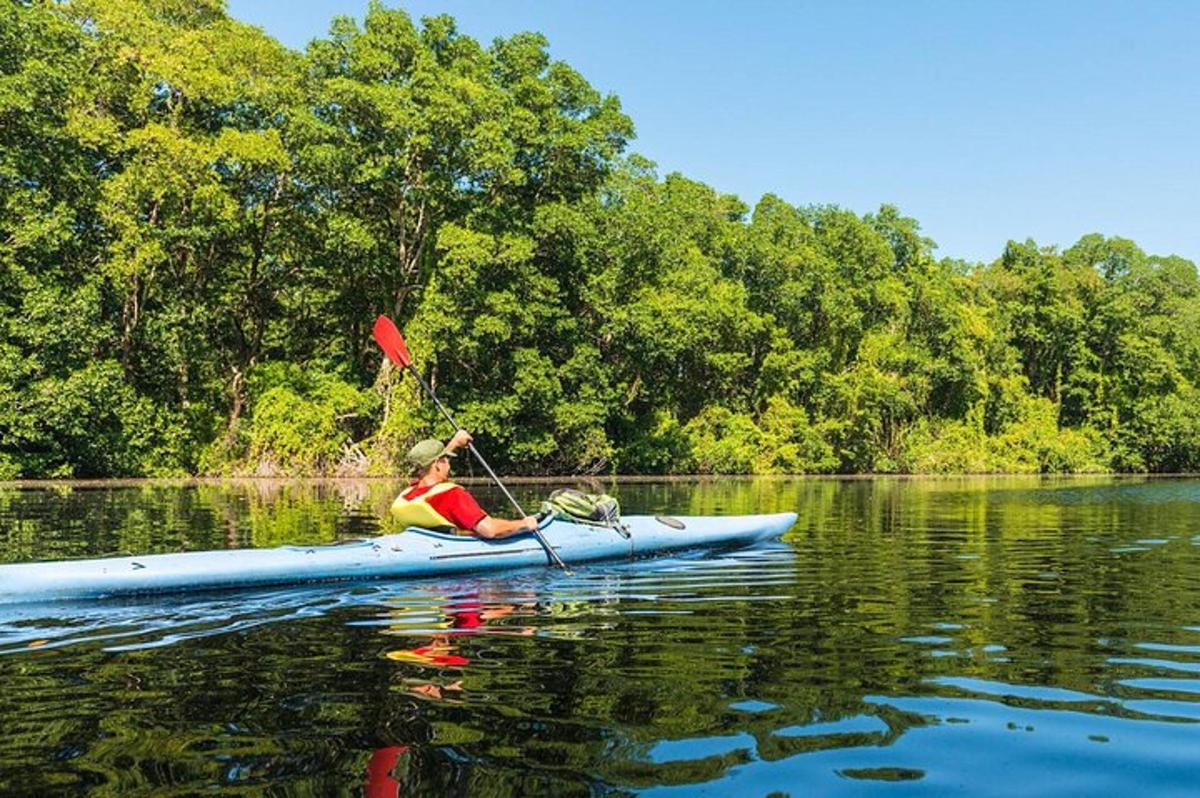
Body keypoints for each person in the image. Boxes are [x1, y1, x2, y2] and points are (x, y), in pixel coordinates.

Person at [390, 430, 538, 539]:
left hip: (428, 545)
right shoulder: (452, 495)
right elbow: (490, 530)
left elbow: (431, 468)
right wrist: (523, 523)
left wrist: (454, 443)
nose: (449, 465)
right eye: (446, 460)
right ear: (437, 464)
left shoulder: (410, 492)